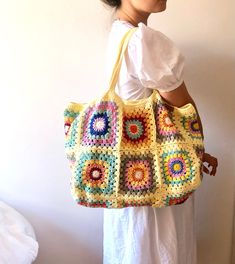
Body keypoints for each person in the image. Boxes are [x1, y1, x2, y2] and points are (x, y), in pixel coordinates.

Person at [101, 0, 218, 263]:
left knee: (134, 249)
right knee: (158, 249)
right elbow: (182, 109)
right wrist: (196, 152)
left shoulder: (119, 34)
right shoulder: (143, 41)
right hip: (157, 183)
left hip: (127, 177)